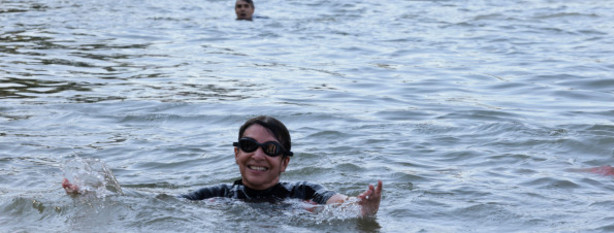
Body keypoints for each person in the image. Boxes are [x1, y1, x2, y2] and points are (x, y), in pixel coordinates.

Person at [63, 115, 383, 218]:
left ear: (285, 162)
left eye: (270, 149)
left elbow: (337, 203)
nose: (257, 155)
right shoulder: (219, 194)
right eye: (248, 146)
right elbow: (159, 206)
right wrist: (97, 196)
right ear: (236, 153)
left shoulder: (304, 192)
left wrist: (362, 207)